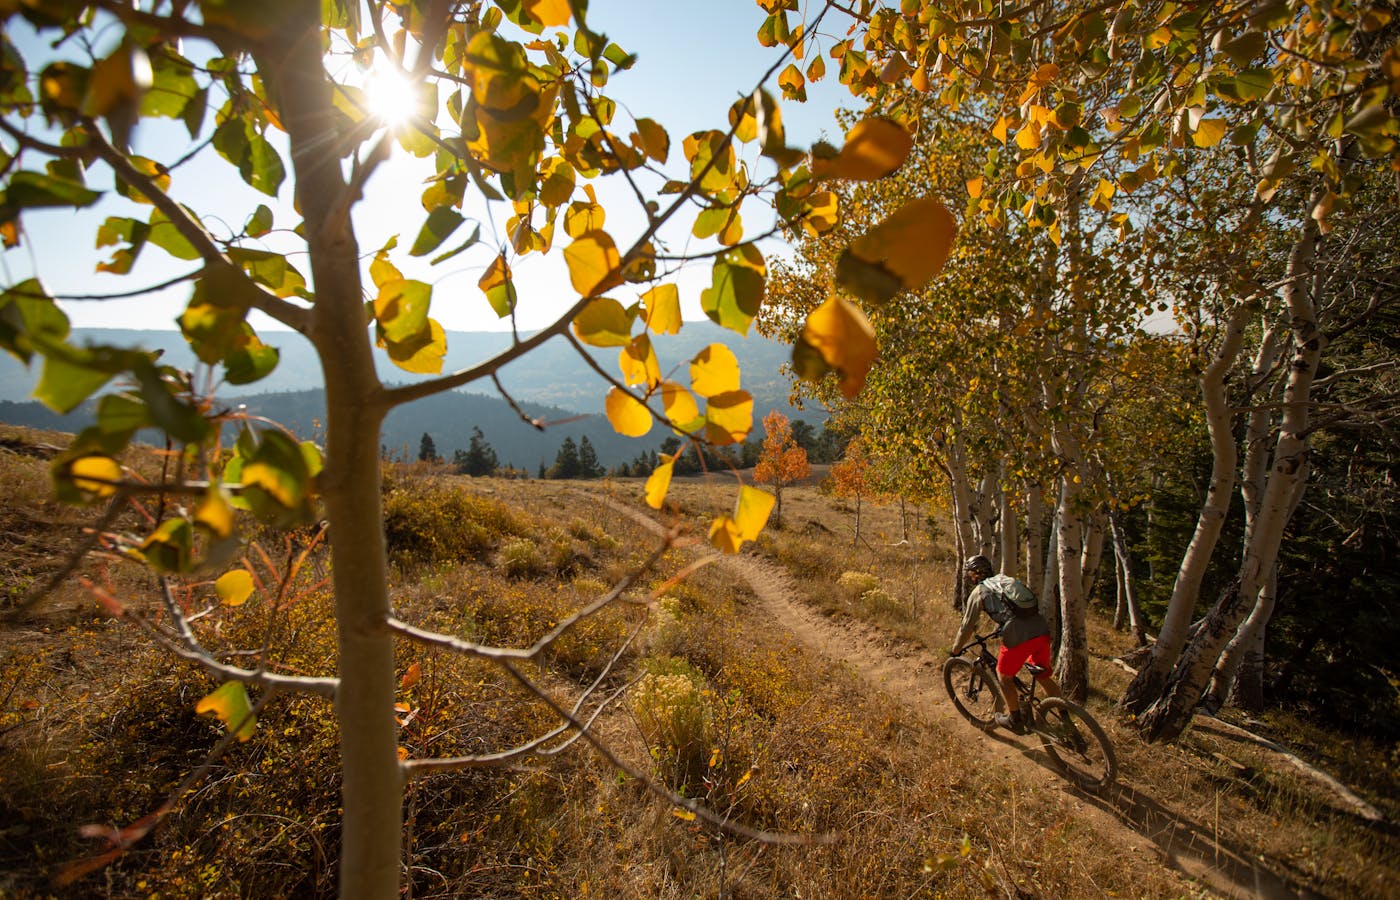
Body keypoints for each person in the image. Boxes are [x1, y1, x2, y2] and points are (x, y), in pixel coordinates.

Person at [951, 554, 1062, 734]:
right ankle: (1066, 717)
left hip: (1018, 634)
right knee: (1042, 675)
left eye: (971, 575)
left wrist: (956, 649)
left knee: (1003, 676)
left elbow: (967, 626)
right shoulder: (1005, 579)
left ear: (975, 575)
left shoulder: (979, 591)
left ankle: (1015, 720)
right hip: (1040, 628)